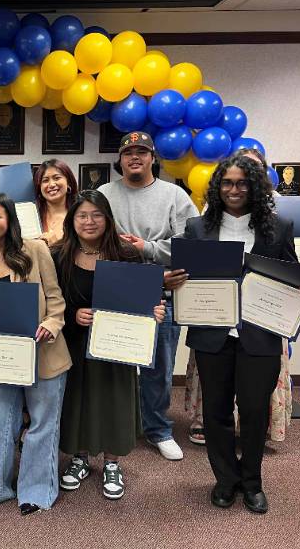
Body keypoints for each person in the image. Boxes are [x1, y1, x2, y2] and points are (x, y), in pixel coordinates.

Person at [172, 155, 300, 514]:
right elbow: (181, 276)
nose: (233, 190)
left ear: (255, 187)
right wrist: (170, 282)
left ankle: (252, 482)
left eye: (242, 183)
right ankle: (225, 480)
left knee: (255, 410)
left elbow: (297, 281)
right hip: (213, 334)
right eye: (227, 183)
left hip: (260, 336)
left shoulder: (279, 228)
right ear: (217, 187)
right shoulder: (197, 228)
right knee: (215, 411)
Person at [54, 190, 165, 499]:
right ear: (71, 220)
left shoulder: (126, 254)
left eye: (96, 215)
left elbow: (147, 299)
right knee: (78, 399)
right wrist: (72, 315)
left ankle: (112, 462)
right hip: (75, 343)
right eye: (82, 215)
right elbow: (49, 302)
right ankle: (80, 458)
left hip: (119, 345)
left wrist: (154, 311)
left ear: (107, 218)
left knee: (114, 398)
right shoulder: (58, 255)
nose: (89, 222)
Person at [0, 193, 70, 516]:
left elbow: (56, 299)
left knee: (42, 426)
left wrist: (52, 323)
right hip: (0, 359)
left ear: (9, 219)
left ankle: (37, 491)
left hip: (44, 353)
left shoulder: (35, 250)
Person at [98, 131, 198, 461]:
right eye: (128, 153)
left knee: (159, 365)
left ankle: (158, 429)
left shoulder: (176, 196)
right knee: (115, 362)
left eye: (142, 152)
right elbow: (89, 235)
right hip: (117, 287)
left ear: (153, 158)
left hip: (161, 288)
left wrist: (147, 248)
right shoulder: (103, 194)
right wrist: (119, 249)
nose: (135, 157)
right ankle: (116, 425)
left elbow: (191, 244)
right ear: (120, 160)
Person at [34, 159, 78, 247]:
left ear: (68, 182)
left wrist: (56, 246)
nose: (51, 184)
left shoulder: (80, 215)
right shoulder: (32, 216)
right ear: (39, 187)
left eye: (57, 178)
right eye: (45, 180)